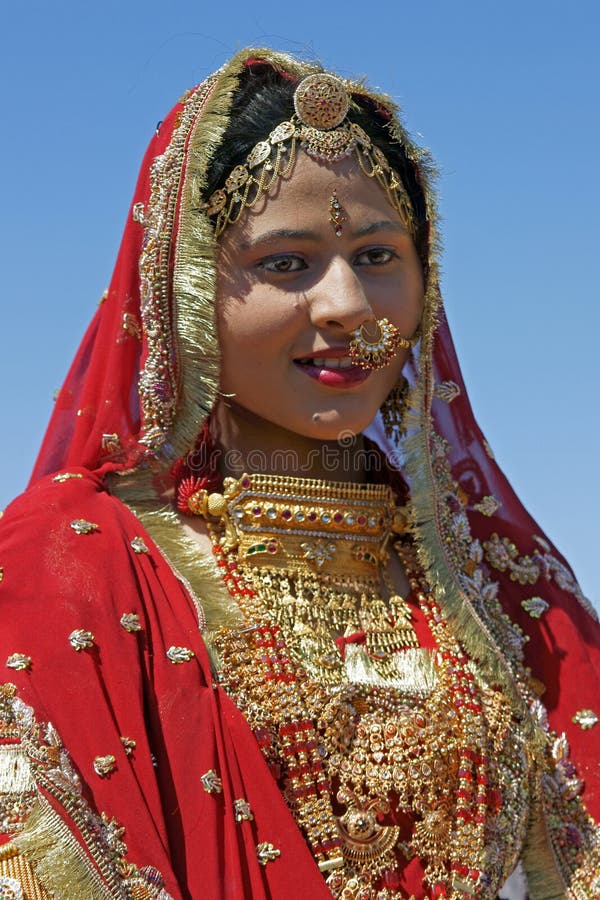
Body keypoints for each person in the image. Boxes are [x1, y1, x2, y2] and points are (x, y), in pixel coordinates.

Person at [0, 47, 598, 900]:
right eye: (287, 264)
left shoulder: (494, 583)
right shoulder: (69, 567)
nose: (348, 306)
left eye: (381, 256)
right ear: (187, 286)